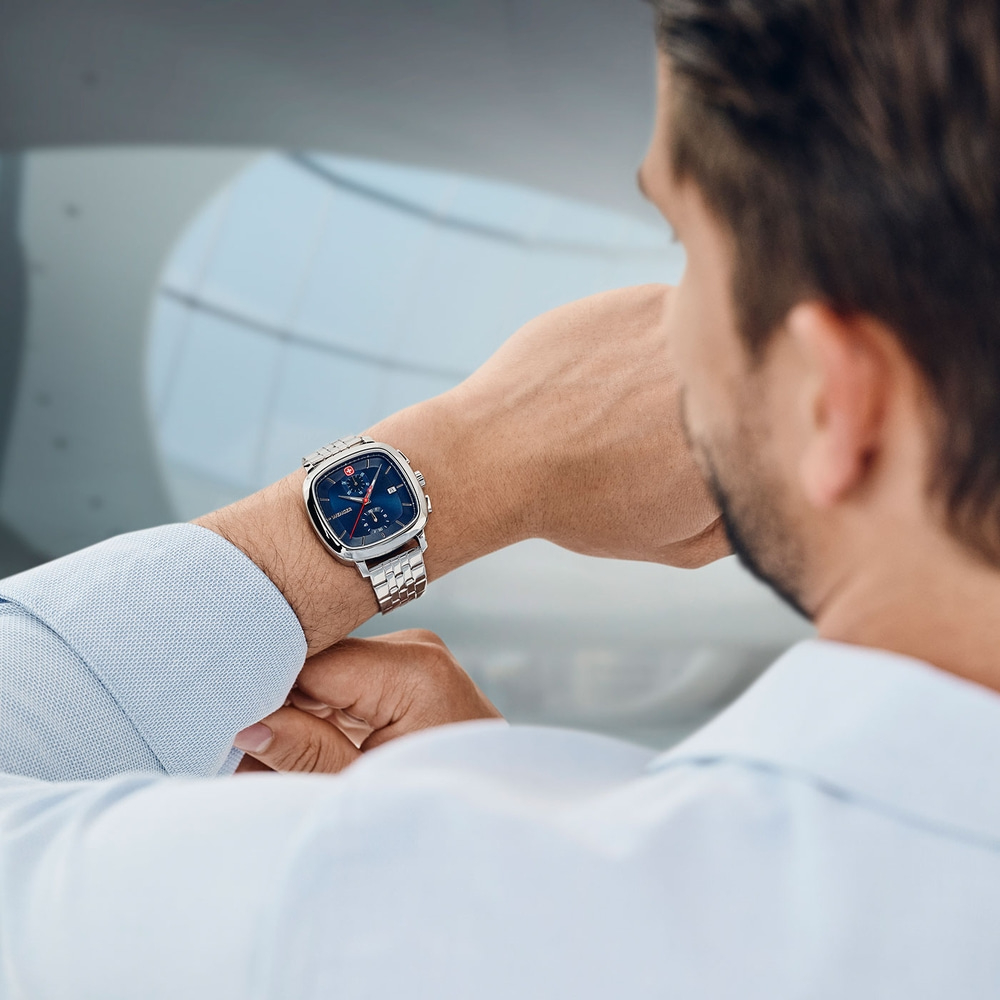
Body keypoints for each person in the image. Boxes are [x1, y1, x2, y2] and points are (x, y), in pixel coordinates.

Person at [3, 0, 1000, 994]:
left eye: (684, 250)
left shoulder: (398, 900)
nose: (650, 325)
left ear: (830, 400)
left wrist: (482, 451)